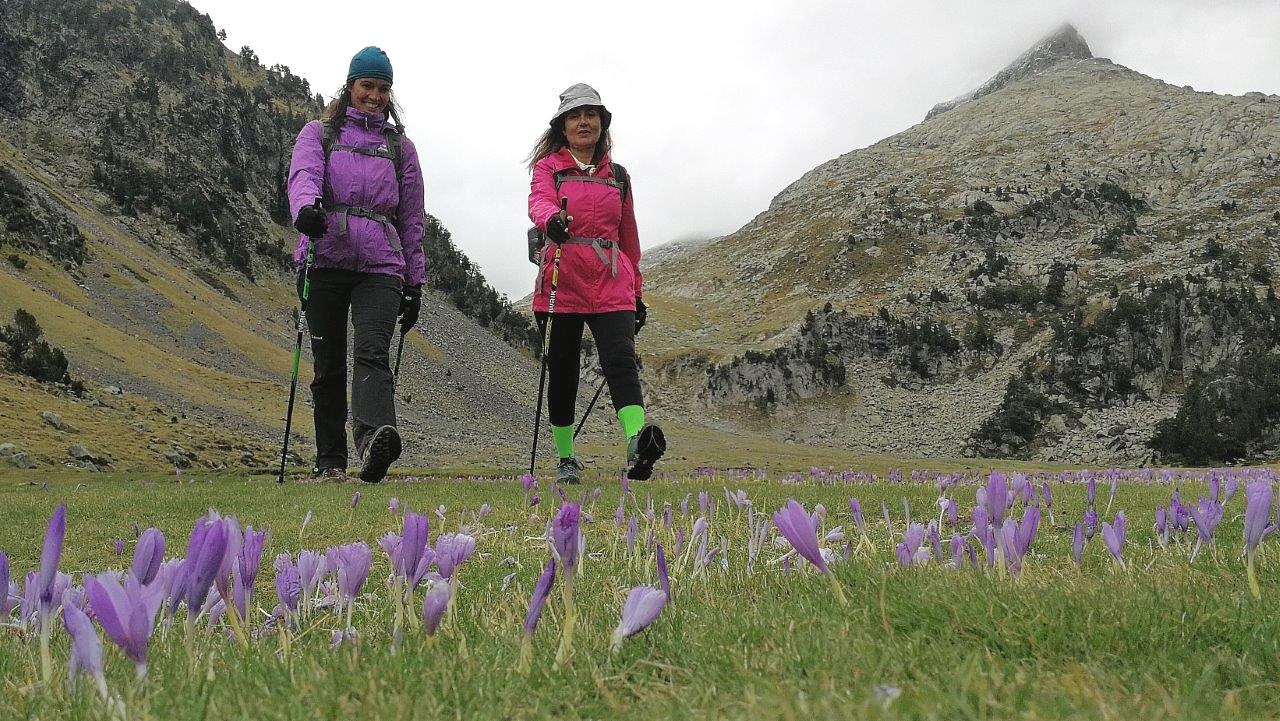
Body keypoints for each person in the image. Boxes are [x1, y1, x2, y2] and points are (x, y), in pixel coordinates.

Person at [286, 46, 425, 483]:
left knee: (371, 353)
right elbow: (303, 175)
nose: (375, 95)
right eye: (368, 86)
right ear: (350, 87)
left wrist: (414, 280)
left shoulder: (401, 148)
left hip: (381, 266)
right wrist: (305, 209)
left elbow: (412, 217)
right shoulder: (319, 133)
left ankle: (372, 445)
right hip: (324, 256)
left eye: (383, 89)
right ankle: (329, 460)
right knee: (327, 362)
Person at [527, 83, 666, 484]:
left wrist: (636, 292)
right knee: (564, 370)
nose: (584, 122)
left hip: (611, 280)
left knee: (621, 360)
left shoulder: (619, 176)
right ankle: (566, 457)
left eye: (591, 115)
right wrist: (550, 219)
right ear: (563, 126)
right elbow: (539, 201)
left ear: (602, 124)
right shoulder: (549, 169)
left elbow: (629, 236)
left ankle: (637, 444)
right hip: (562, 277)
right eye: (575, 115)